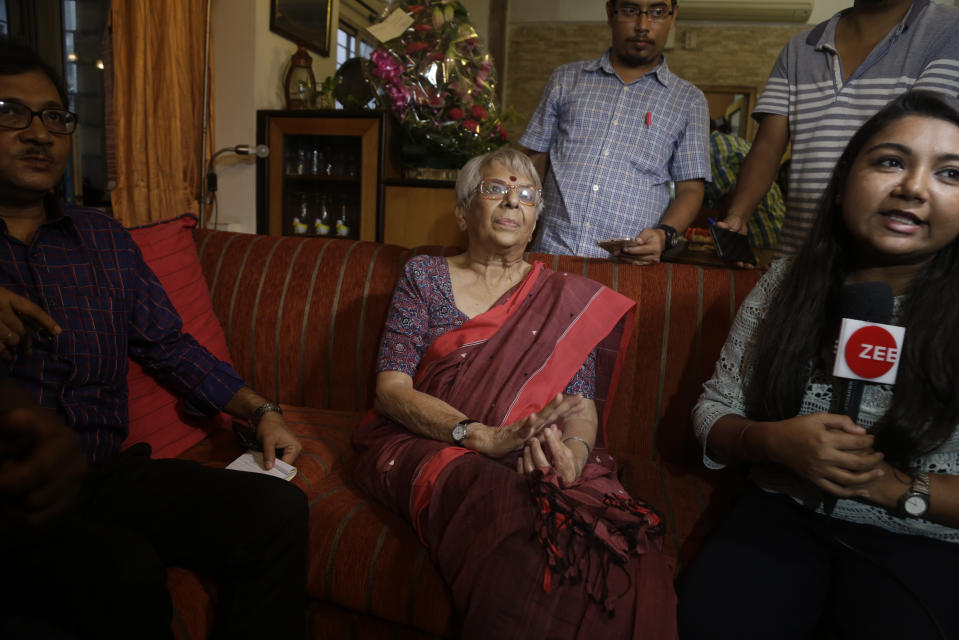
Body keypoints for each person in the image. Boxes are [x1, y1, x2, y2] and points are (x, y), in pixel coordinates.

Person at [0, 38, 308, 640]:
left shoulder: (103, 238)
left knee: (275, 511)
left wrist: (261, 410)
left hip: (107, 477)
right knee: (125, 570)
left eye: (55, 117)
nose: (38, 133)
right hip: (15, 495)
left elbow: (169, 344)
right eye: (10, 112)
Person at [351, 147, 677, 639]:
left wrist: (571, 454)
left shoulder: (562, 298)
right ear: (463, 211)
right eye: (495, 189)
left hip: (536, 450)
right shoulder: (426, 276)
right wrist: (479, 435)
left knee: (627, 546)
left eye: (526, 195)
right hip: (436, 443)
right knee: (514, 516)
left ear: (534, 220)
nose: (512, 202)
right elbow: (391, 390)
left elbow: (580, 404)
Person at [677, 90, 959, 639]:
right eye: (891, 161)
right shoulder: (785, 286)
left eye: (950, 174)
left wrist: (890, 485)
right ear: (841, 185)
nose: (913, 188)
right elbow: (714, 412)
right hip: (781, 515)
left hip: (924, 540)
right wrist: (775, 442)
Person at [718, 0, 959, 258]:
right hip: (800, 255)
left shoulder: (950, 31)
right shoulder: (800, 49)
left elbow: (928, 140)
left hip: (896, 265)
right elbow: (766, 147)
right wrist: (738, 215)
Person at [519, 0, 710, 265]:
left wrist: (664, 235)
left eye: (656, 12)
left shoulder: (688, 101)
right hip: (551, 255)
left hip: (626, 267)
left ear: (672, 15)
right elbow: (533, 164)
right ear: (610, 13)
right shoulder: (565, 79)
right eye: (631, 10)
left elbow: (690, 189)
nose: (643, 26)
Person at [704, 121, 785, 251]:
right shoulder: (729, 141)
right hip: (777, 227)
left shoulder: (711, 150)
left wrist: (716, 233)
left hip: (759, 235)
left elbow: (729, 199)